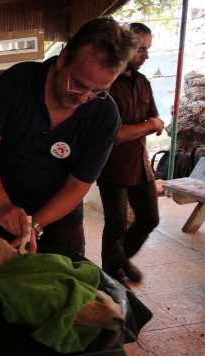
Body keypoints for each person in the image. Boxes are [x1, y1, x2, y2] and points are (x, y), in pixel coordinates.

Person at [0, 17, 140, 254]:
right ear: (63, 58)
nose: (83, 98)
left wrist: (35, 226)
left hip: (63, 221)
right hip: (8, 211)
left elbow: (78, 184)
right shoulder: (15, 83)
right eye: (78, 84)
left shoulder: (105, 115)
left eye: (98, 91)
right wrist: (1, 205)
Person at [97, 23, 163, 283]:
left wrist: (148, 125)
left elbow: (156, 119)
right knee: (116, 226)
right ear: (125, 47)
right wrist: (148, 126)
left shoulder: (142, 82)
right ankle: (111, 275)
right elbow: (118, 135)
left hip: (140, 163)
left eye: (148, 49)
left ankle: (120, 260)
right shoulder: (107, 83)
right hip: (112, 167)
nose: (145, 55)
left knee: (150, 218)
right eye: (140, 49)